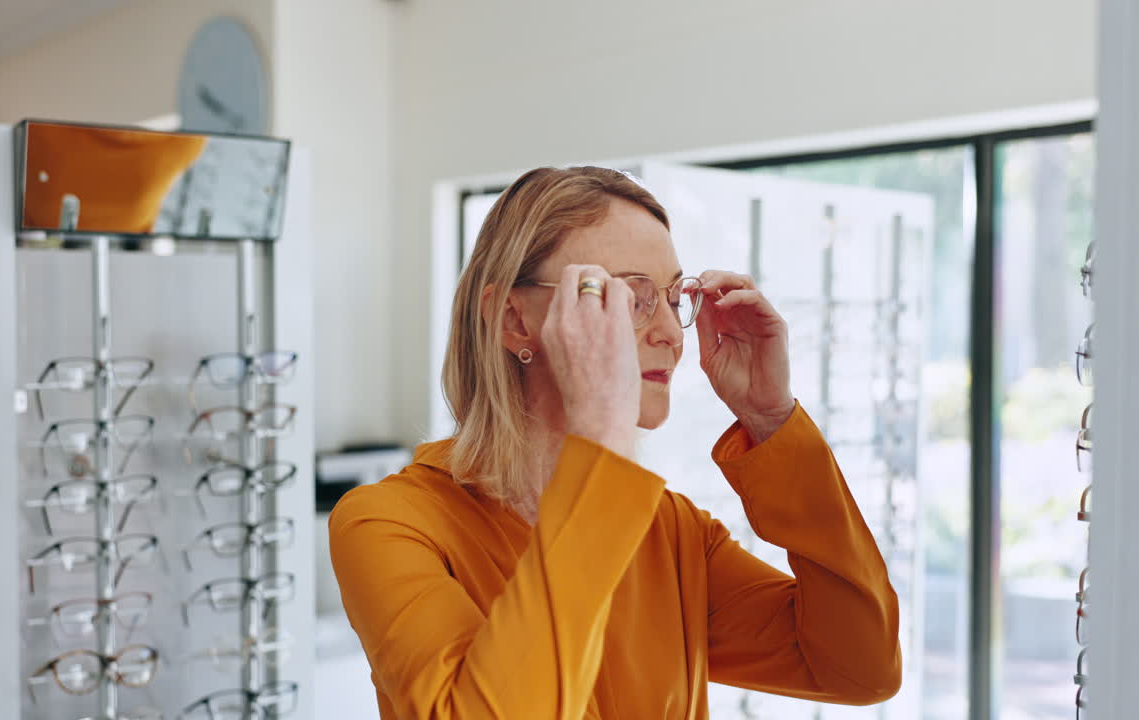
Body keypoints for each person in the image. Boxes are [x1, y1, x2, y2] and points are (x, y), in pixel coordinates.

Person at [329, 166, 901, 719]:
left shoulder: (669, 531)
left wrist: (771, 419)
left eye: (675, 299)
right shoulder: (388, 525)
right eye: (628, 299)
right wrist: (601, 433)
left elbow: (861, 667)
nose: (673, 335)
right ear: (513, 320)